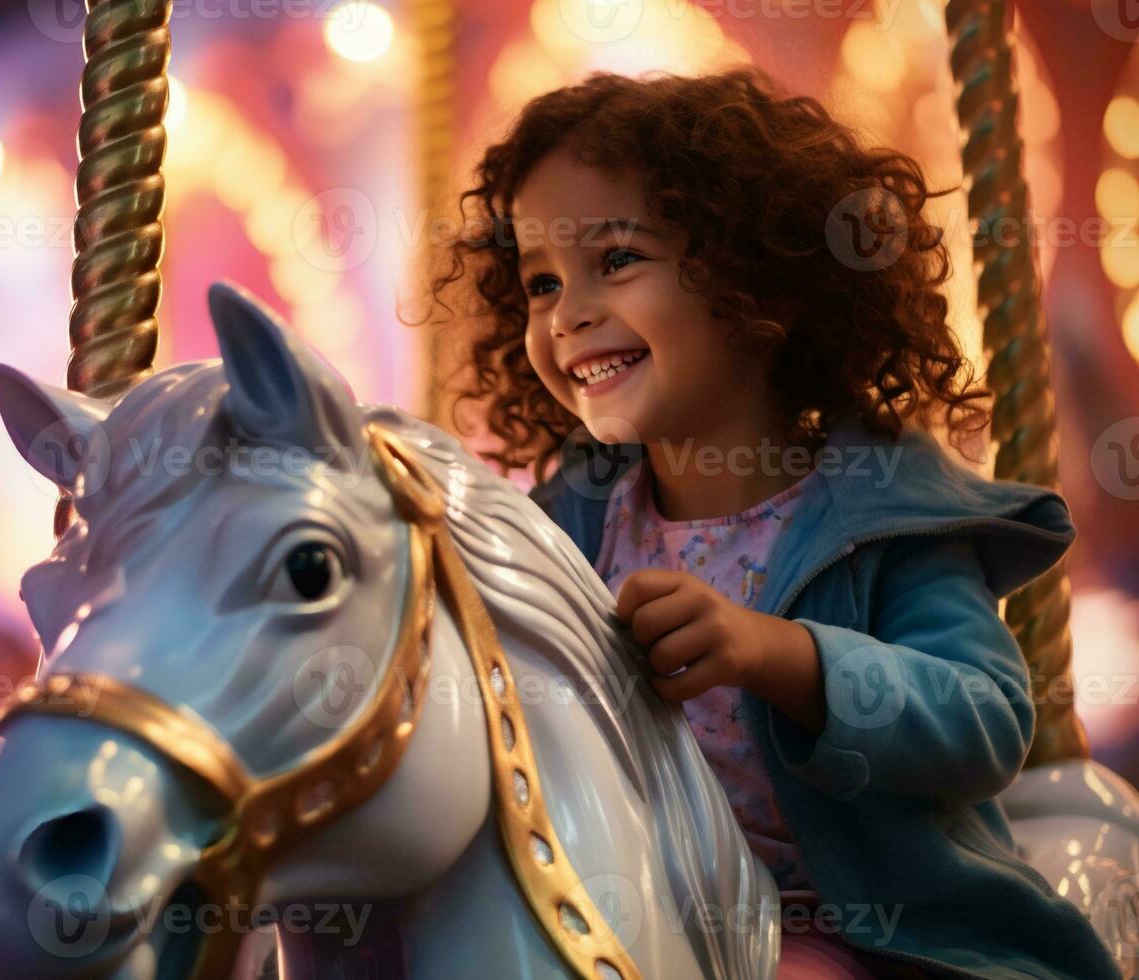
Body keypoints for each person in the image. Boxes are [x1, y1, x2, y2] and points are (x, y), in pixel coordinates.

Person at [424, 68, 1119, 980]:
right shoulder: (570, 519)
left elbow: (984, 721)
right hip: (625, 906)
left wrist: (783, 656)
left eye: (617, 259)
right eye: (542, 282)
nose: (569, 314)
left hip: (849, 925)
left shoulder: (885, 514)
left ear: (763, 283)